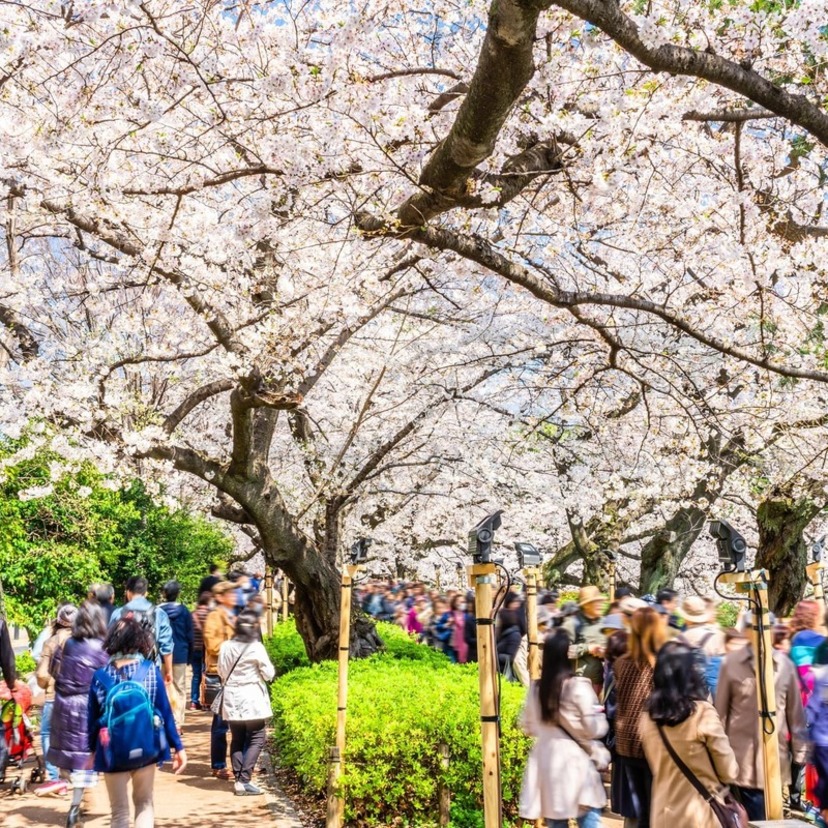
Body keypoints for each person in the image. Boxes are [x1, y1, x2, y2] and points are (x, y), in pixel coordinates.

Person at [89, 617, 186, 828]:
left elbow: (92, 719)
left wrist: (91, 751)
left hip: (111, 753)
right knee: (144, 804)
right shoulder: (150, 670)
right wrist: (178, 747)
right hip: (146, 749)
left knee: (119, 812)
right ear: (140, 640)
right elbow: (165, 713)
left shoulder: (99, 676)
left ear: (111, 641)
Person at [715, 610, 808, 821]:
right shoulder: (730, 664)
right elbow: (719, 714)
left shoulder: (785, 666)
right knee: (750, 818)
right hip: (741, 764)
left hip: (775, 761)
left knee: (771, 818)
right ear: (746, 632)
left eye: (766, 628)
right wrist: (718, 757)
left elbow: (795, 713)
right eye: (754, 628)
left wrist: (801, 752)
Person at [641, 642, 740, 828]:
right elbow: (729, 771)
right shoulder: (702, 714)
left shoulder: (647, 717)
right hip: (701, 815)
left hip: (662, 814)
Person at [518, 628, 609, 828]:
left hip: (547, 761)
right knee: (588, 819)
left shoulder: (536, 689)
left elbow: (526, 725)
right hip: (575, 762)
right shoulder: (577, 686)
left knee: (556, 821)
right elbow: (594, 729)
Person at [47, 602, 109, 827]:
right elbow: (108, 679)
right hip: (86, 708)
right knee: (85, 758)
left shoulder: (69, 643)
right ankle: (75, 808)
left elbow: (54, 668)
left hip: (64, 704)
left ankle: (74, 796)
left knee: (70, 754)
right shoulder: (102, 647)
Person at [612, 606, 666, 828]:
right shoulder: (660, 663)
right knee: (655, 807)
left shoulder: (621, 663)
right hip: (653, 741)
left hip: (626, 740)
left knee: (638, 806)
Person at [216, 607, 275, 796]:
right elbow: (269, 674)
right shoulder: (256, 647)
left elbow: (221, 672)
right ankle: (244, 780)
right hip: (252, 697)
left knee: (237, 737)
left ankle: (239, 780)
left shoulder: (225, 646)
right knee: (257, 737)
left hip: (232, 696)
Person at [34, 603, 78, 795]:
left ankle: (54, 778)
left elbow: (42, 674)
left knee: (47, 734)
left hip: (54, 695)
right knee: (74, 734)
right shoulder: (84, 642)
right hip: (78, 697)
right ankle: (72, 776)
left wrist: (47, 684)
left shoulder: (51, 642)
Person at [109, 577, 174, 686]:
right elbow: (166, 646)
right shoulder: (158, 613)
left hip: (121, 671)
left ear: (128, 592)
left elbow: (109, 643)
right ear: (146, 593)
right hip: (150, 671)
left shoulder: (118, 613)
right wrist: (169, 671)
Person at [203, 581, 238, 779]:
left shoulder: (234, 615)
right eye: (231, 593)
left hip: (234, 672)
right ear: (220, 596)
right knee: (221, 722)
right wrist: (236, 646)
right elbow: (212, 646)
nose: (235, 596)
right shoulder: (214, 617)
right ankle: (218, 764)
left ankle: (238, 764)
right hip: (219, 673)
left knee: (238, 722)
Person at [158, 580, 194, 729]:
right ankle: (178, 723)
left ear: (164, 594)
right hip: (180, 654)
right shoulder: (184, 611)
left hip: (160, 655)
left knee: (162, 687)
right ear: (177, 593)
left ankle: (163, 721)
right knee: (179, 688)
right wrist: (190, 656)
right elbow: (190, 635)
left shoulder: (157, 611)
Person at [561, 586, 607, 694]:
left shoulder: (605, 623)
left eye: (601, 601)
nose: (601, 605)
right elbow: (561, 651)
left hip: (603, 684)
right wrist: (587, 648)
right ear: (586, 605)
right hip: (579, 685)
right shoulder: (571, 624)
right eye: (596, 602)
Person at [680, 596, 725, 698]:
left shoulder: (678, 638)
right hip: (706, 694)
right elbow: (716, 676)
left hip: (683, 692)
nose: (715, 613)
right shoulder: (716, 636)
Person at [190, 591, 212, 710]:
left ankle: (194, 701)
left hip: (194, 649)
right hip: (206, 649)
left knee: (196, 675)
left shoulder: (193, 614)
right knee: (206, 674)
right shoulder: (210, 614)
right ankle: (206, 701)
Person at [496, 592, 525, 678]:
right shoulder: (504, 633)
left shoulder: (514, 635)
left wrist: (496, 656)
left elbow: (511, 657)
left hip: (506, 673)